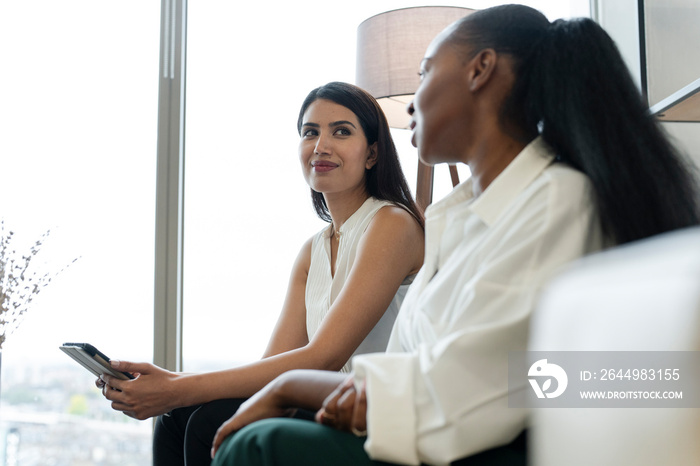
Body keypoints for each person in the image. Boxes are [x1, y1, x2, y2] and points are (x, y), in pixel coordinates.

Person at [210, 5, 700, 466]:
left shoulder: (554, 202)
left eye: (424, 73)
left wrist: (293, 386)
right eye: (309, 131)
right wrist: (360, 395)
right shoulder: (456, 217)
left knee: (259, 444)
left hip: (484, 447)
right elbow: (416, 362)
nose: (411, 105)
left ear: (479, 69)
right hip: (437, 425)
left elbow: (477, 386)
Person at [97, 81, 425, 465]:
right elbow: (274, 363)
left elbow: (322, 357)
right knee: (175, 420)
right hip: (325, 400)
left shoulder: (392, 223)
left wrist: (178, 387)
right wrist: (169, 387)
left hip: (372, 407)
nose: (321, 145)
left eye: (341, 131)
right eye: (310, 132)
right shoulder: (313, 250)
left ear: (372, 154)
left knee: (206, 421)